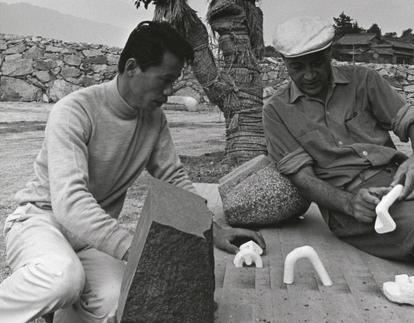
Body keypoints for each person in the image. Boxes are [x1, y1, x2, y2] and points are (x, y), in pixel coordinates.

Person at [0, 21, 265, 323]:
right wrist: (136, 249)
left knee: (121, 304)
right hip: (41, 220)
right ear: (132, 67)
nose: (168, 92)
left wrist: (213, 230)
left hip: (90, 240)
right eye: (164, 80)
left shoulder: (153, 119)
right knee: (62, 278)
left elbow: (174, 180)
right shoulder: (75, 111)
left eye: (174, 83)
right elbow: (69, 202)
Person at [263, 16, 414, 322]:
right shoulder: (276, 111)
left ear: (329, 54)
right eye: (297, 67)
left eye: (316, 62)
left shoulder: (363, 80)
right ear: (285, 63)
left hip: (400, 181)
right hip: (352, 204)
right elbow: (302, 179)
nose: (309, 74)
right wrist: (348, 204)